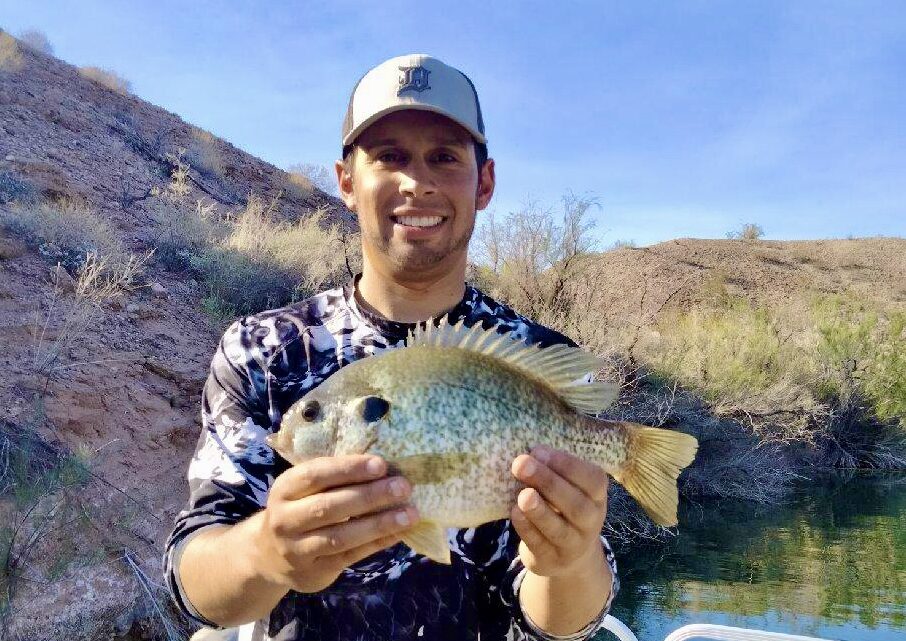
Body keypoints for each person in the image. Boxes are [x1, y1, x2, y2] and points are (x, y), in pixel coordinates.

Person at [164, 53, 619, 641]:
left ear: (484, 183)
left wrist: (568, 561)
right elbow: (196, 582)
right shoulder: (263, 352)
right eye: (390, 156)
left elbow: (565, 623)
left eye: (444, 157)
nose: (417, 181)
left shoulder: (533, 356)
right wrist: (265, 553)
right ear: (347, 182)